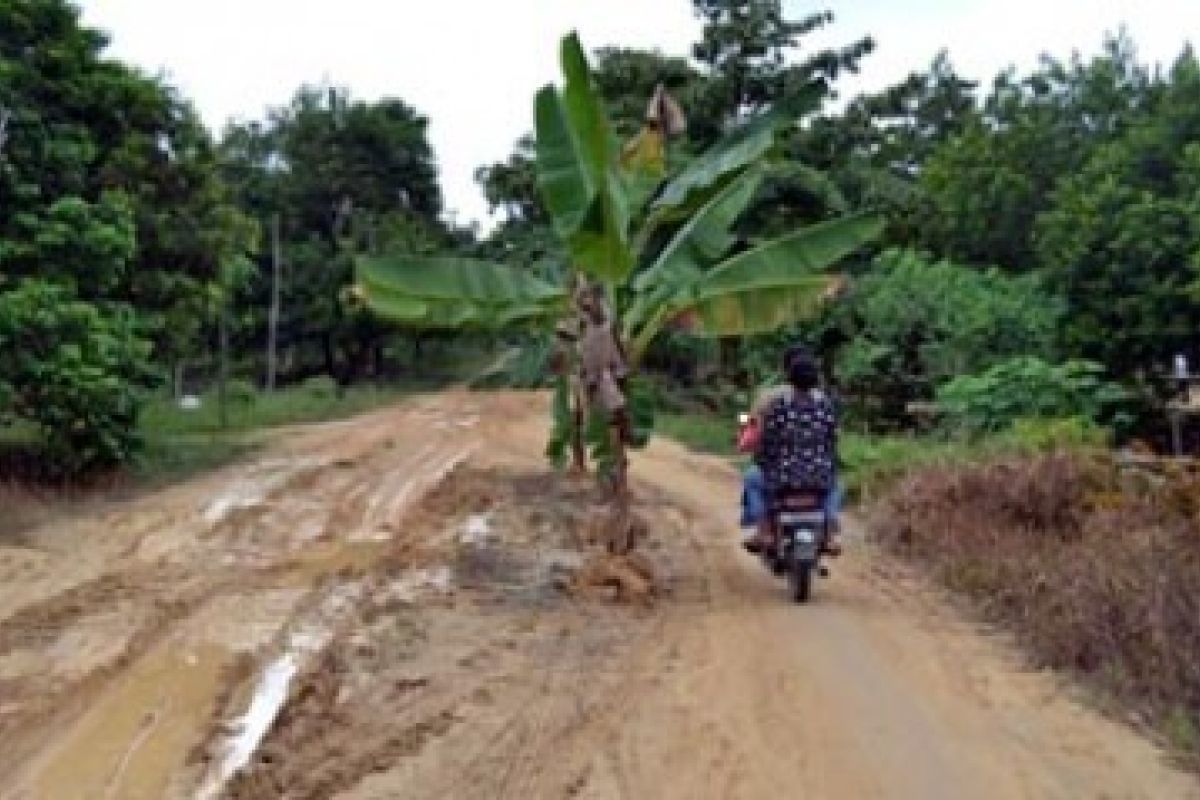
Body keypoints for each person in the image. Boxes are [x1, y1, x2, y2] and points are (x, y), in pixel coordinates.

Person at [741, 346, 841, 555]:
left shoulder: (776, 403)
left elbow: (766, 438)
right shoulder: (826, 405)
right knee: (836, 484)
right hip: (818, 478)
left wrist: (761, 459)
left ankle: (764, 531)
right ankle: (830, 534)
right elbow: (832, 440)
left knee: (752, 478)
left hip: (783, 477)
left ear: (787, 374)